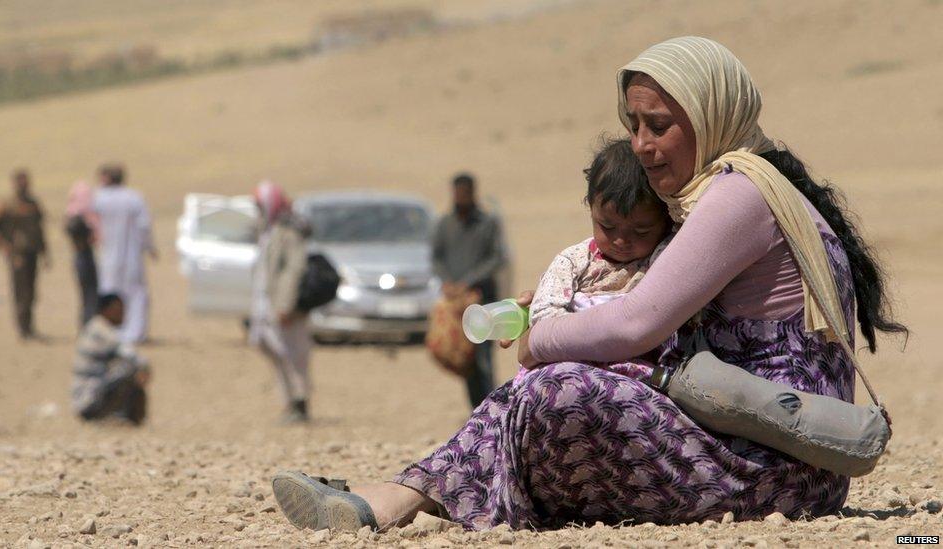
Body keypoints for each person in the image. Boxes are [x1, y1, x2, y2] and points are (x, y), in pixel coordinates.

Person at [270, 37, 908, 531]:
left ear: (712, 113)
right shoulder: (746, 187)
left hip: (778, 464)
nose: (643, 145)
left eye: (659, 125)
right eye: (634, 125)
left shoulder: (740, 196)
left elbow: (637, 324)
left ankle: (398, 500)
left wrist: (541, 338)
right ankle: (397, 500)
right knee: (555, 392)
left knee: (555, 390)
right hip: (752, 441)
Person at [516, 137, 671, 385]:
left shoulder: (664, 258)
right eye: (607, 226)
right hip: (566, 363)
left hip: (634, 374)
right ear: (591, 209)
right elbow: (546, 316)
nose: (621, 241)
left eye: (641, 231)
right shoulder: (573, 261)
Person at [431, 173, 506, 408]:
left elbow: (496, 258)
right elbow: (436, 258)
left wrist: (469, 281)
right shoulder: (445, 224)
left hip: (482, 300)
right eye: (457, 192)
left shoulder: (487, 223)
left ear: (473, 192)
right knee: (465, 359)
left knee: (483, 359)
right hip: (455, 303)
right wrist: (448, 283)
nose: (461, 197)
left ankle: (491, 408)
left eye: (465, 192)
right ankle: (475, 411)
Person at [248, 181, 313, 423]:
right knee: (269, 348)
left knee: (294, 355)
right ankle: (288, 401)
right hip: (265, 307)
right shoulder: (267, 230)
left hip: (284, 308)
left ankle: (300, 403)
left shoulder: (289, 232)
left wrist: (285, 305)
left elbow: (293, 270)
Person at [93, 164, 157, 343]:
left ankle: (109, 333)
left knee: (110, 294)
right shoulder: (134, 198)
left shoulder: (99, 199)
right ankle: (135, 333)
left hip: (108, 256)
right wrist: (150, 248)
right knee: (136, 294)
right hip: (132, 256)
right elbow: (144, 226)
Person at [0, 169, 50, 339]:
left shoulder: (33, 203)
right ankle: (23, 329)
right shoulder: (7, 204)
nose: (24, 185)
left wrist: (45, 252)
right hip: (17, 254)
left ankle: (30, 326)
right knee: (21, 291)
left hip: (32, 252)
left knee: (32, 291)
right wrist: (3, 246)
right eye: (20, 182)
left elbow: (39, 229)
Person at [71, 293, 150, 425]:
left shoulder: (95, 326)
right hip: (87, 399)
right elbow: (131, 355)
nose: (123, 314)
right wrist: (144, 368)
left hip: (89, 395)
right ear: (106, 310)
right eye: (119, 309)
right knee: (130, 371)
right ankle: (118, 416)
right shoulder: (101, 330)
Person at [65, 181, 99, 326]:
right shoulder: (80, 218)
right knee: (90, 294)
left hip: (80, 257)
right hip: (84, 257)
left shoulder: (70, 214)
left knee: (87, 295)